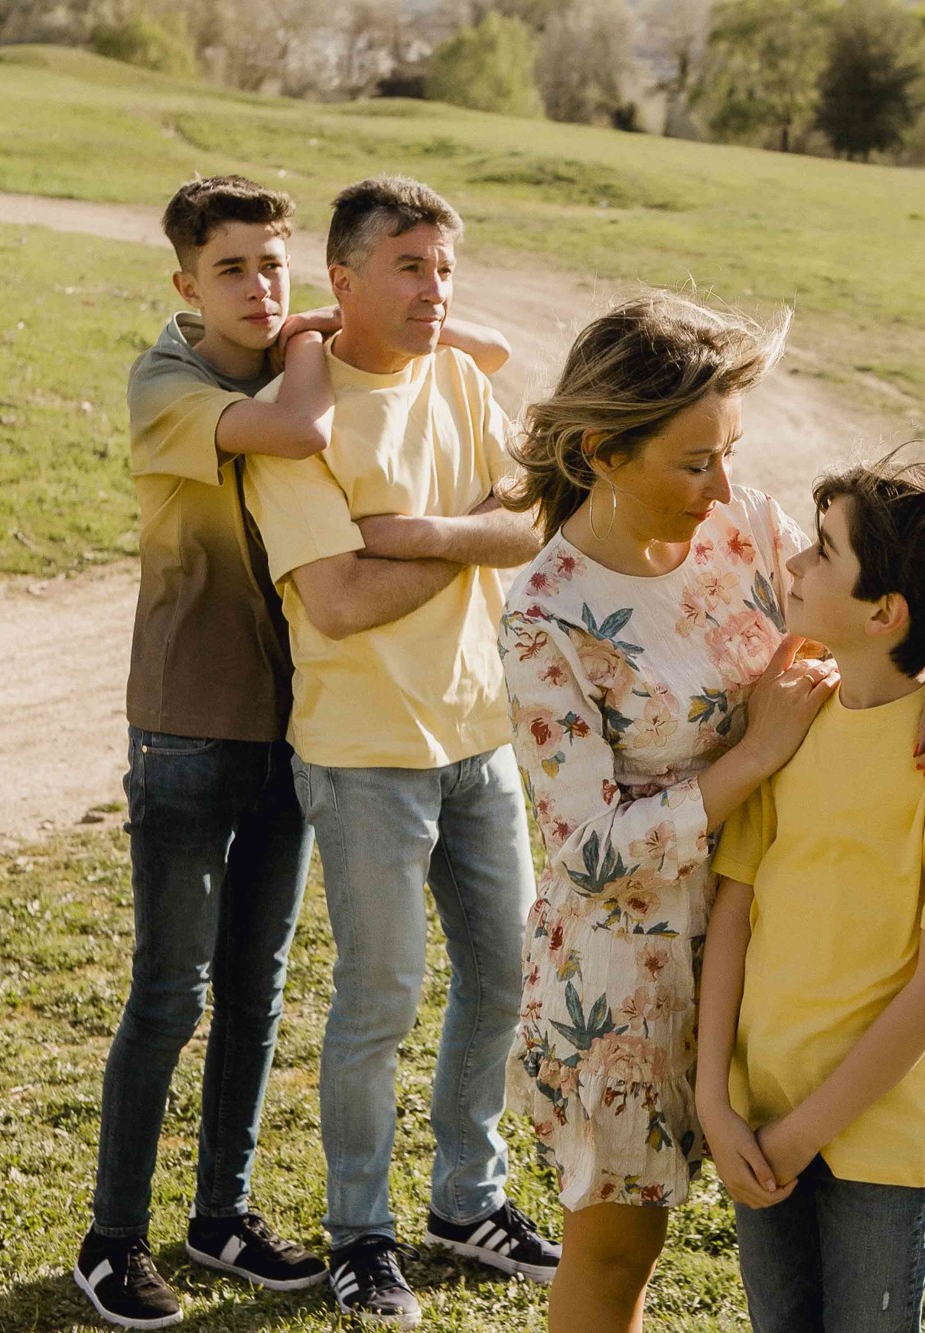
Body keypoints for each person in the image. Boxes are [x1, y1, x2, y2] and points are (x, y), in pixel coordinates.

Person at [497, 293, 925, 1333]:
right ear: (602, 451)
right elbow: (587, 850)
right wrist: (754, 756)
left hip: (781, 963)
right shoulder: (543, 613)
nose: (727, 486)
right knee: (614, 1259)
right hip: (630, 974)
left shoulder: (736, 526)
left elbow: (882, 611)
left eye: (729, 451)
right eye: (695, 461)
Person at [76, 173, 511, 1332]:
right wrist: (321, 330)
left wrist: (348, 319)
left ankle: (220, 1215)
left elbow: (491, 353)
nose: (256, 288)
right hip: (186, 719)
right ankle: (111, 1237)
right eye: (231, 269)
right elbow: (309, 444)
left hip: (286, 725)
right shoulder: (177, 382)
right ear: (184, 284)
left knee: (256, 990)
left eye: (272, 265)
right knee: (170, 993)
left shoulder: (298, 350)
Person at [240, 175, 558, 1328]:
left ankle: (466, 1201)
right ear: (348, 278)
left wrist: (424, 532)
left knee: (504, 975)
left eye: (445, 269)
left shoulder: (465, 380)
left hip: (479, 737)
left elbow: (528, 521)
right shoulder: (301, 423)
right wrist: (471, 541)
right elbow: (334, 601)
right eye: (412, 267)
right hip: (363, 751)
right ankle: (359, 1234)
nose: (436, 290)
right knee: (380, 997)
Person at [698, 449, 925, 1332]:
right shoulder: (795, 712)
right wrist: (713, 1096)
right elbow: (734, 906)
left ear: (885, 611)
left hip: (880, 1141)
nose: (798, 565)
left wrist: (804, 1134)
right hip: (756, 1105)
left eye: (822, 551)